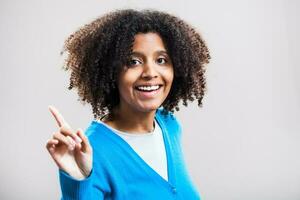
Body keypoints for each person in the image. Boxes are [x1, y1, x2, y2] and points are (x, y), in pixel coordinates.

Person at [46, 9, 210, 200]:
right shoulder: (92, 152)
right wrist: (78, 181)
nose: (150, 72)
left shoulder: (169, 126)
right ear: (111, 71)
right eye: (133, 62)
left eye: (161, 60)